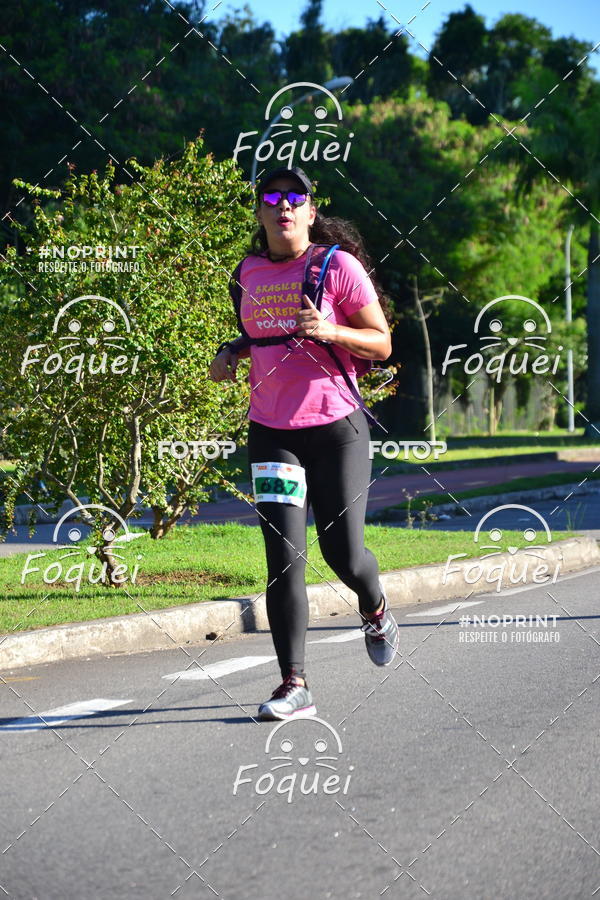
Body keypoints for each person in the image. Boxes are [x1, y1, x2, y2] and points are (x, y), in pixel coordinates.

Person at [209, 165, 399, 721]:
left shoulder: (337, 267)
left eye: (295, 197)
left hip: (336, 429)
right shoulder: (245, 273)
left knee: (342, 552)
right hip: (272, 434)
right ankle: (294, 684)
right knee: (283, 559)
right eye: (272, 196)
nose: (283, 205)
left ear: (311, 212)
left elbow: (381, 343)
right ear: (260, 211)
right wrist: (231, 355)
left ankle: (376, 605)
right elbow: (258, 338)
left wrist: (331, 330)